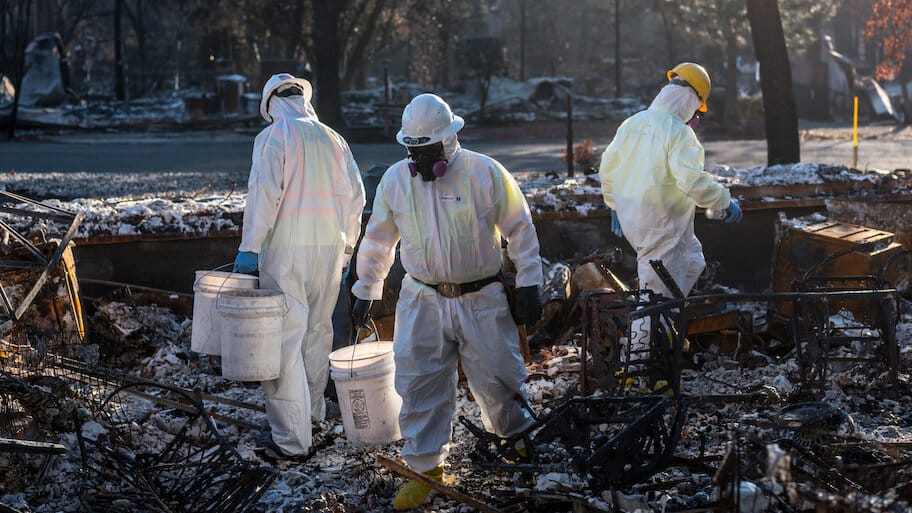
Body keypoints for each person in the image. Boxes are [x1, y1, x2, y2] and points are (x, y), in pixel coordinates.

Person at [350, 93, 543, 510]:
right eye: (413, 152)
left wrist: (531, 281)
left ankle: (517, 443)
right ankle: (425, 470)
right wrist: (367, 287)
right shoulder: (397, 181)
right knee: (418, 383)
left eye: (428, 151)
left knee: (500, 378)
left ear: (449, 141)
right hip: (422, 299)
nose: (420, 162)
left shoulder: (483, 173)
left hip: (481, 297)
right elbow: (380, 238)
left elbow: (520, 228)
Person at [234, 73, 366, 460]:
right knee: (317, 332)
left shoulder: (275, 136)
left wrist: (250, 248)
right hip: (327, 250)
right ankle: (311, 417)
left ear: (271, 104)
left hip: (285, 250)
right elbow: (355, 199)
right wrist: (345, 251)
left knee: (283, 342)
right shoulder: (332, 138)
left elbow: (263, 196)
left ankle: (291, 441)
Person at [598, 62, 742, 300]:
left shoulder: (633, 122)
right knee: (655, 302)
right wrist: (723, 201)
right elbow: (692, 181)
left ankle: (670, 312)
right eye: (697, 110)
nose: (695, 116)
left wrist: (613, 203)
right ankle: (646, 336)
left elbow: (608, 168)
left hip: (640, 219)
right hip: (662, 226)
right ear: (691, 99)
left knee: (693, 260)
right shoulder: (679, 132)